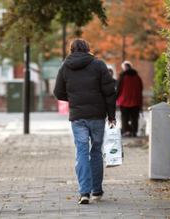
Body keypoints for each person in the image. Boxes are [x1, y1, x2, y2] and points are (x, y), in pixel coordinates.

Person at [53, 39, 116, 204]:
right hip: (97, 115)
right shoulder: (99, 65)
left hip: (78, 117)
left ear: (71, 50)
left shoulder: (65, 67)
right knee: (96, 151)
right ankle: (96, 190)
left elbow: (58, 92)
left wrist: (74, 98)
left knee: (81, 152)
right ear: (88, 49)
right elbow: (109, 92)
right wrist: (111, 116)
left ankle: (84, 193)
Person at [116, 61, 143, 137]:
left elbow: (118, 88)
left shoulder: (123, 76)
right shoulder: (137, 77)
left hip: (124, 100)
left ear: (124, 68)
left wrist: (116, 97)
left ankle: (126, 131)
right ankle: (134, 132)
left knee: (124, 117)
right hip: (135, 100)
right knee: (134, 117)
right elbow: (140, 88)